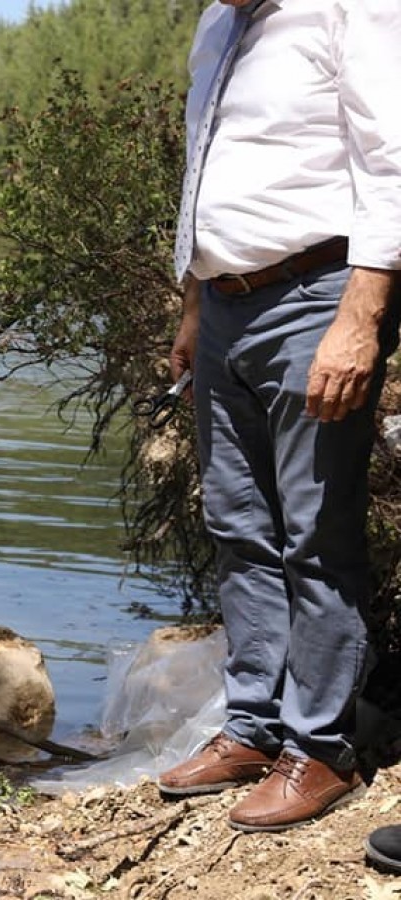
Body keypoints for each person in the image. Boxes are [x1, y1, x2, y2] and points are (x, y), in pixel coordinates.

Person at [155, 2, 400, 834]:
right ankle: (255, 727)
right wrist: (194, 308)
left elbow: (391, 158)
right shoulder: (219, 26)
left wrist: (361, 319)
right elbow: (204, 174)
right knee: (237, 526)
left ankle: (321, 749)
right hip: (225, 306)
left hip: (316, 295)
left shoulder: (351, 9)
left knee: (315, 533)